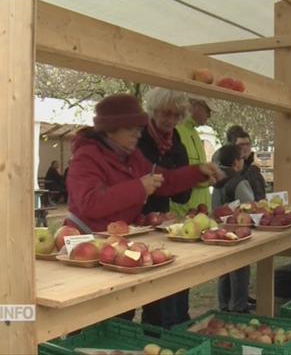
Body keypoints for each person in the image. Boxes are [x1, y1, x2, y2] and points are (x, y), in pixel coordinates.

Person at [64, 94, 223, 321]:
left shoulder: (131, 156)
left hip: (115, 247)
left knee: (122, 311)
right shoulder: (86, 157)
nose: (138, 134)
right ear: (111, 129)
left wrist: (198, 171)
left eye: (139, 129)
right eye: (131, 129)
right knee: (92, 318)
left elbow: (164, 180)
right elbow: (90, 202)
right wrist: (139, 187)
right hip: (87, 250)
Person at [136, 88, 192, 328]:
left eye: (177, 115)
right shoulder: (136, 137)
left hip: (159, 225)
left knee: (163, 293)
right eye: (166, 114)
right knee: (126, 299)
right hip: (129, 223)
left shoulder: (176, 141)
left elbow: (182, 195)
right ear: (153, 110)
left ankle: (160, 335)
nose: (171, 121)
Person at [212, 144, 254, 313]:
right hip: (238, 230)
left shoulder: (216, 180)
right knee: (240, 269)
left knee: (224, 269)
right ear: (237, 162)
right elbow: (250, 206)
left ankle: (224, 303)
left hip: (219, 230)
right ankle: (238, 306)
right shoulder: (238, 181)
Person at [170, 95, 217, 216]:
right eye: (208, 110)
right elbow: (173, 176)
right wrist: (207, 179)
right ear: (195, 106)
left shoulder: (194, 132)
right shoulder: (176, 131)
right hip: (182, 215)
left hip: (198, 214)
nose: (209, 115)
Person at [234, 131, 267, 201]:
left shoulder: (253, 165)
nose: (245, 147)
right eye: (241, 145)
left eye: (247, 144)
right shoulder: (234, 166)